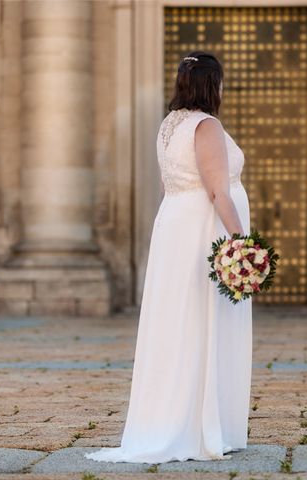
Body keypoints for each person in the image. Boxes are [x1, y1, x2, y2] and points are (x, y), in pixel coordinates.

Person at [86, 52, 252, 462]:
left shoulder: (169, 125)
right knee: (200, 320)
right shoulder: (206, 125)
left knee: (177, 323)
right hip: (203, 231)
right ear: (211, 85)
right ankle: (199, 429)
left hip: (176, 227)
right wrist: (244, 246)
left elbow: (168, 185)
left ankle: (168, 420)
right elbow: (218, 192)